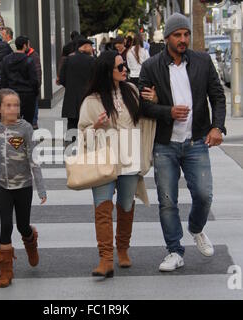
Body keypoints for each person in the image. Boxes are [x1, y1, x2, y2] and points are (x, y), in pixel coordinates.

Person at [139, 13, 227, 272]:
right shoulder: (151, 66)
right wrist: (167, 111)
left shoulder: (202, 61)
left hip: (196, 141)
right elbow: (142, 106)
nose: (183, 39)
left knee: (203, 194)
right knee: (167, 200)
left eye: (186, 34)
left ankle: (196, 228)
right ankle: (174, 251)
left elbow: (218, 96)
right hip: (165, 144)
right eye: (178, 35)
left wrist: (217, 127)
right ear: (167, 38)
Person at [78, 51, 156, 278]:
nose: (125, 70)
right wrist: (95, 125)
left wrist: (154, 99)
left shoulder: (131, 91)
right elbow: (82, 133)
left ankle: (122, 249)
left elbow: (145, 118)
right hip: (104, 160)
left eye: (124, 66)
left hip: (129, 159)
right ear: (106, 72)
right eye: (120, 67)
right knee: (102, 208)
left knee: (126, 206)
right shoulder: (91, 101)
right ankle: (105, 258)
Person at [0, 88, 47, 288]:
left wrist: (41, 188)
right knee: (6, 225)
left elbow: (34, 160)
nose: (13, 109)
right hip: (3, 186)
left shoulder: (26, 128)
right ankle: (5, 271)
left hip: (23, 186)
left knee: (23, 226)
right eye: (8, 105)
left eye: (16, 105)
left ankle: (31, 241)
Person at [59, 37, 95, 142]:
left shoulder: (68, 60)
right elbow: (95, 79)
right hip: (86, 97)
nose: (92, 49)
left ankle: (72, 146)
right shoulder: (92, 60)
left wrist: (70, 86)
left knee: (72, 124)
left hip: (71, 97)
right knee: (87, 123)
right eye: (90, 46)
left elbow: (61, 79)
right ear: (84, 47)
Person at [1, 36, 39, 125]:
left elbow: (3, 79)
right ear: (25, 46)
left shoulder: (6, 59)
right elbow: (34, 80)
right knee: (27, 122)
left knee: (12, 121)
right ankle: (25, 138)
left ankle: (14, 138)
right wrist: (35, 93)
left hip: (11, 94)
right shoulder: (29, 60)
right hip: (27, 95)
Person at [25, 37, 42, 130]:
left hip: (32, 85)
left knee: (34, 104)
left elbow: (38, 71)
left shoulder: (34, 55)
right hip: (26, 85)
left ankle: (34, 122)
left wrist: (37, 84)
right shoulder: (25, 55)